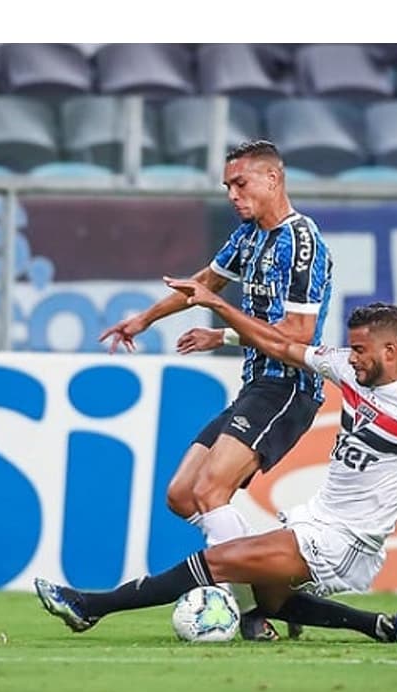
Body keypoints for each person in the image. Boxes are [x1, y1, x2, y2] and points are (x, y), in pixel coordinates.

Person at [36, 298, 397, 644]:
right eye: (350, 349)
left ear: (390, 350)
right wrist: (222, 329)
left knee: (219, 561)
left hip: (346, 541)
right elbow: (280, 344)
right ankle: (381, 627)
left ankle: (91, 605)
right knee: (267, 601)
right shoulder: (350, 371)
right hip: (313, 518)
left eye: (360, 350)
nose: (351, 357)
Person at [97, 139, 333, 641]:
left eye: (240, 183)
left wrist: (221, 317)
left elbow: (296, 338)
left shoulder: (304, 243)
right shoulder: (249, 236)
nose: (231, 193)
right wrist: (143, 319)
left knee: (210, 490)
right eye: (227, 185)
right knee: (183, 495)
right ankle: (275, 591)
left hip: (289, 386)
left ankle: (255, 612)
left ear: (274, 179)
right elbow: (205, 283)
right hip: (257, 383)